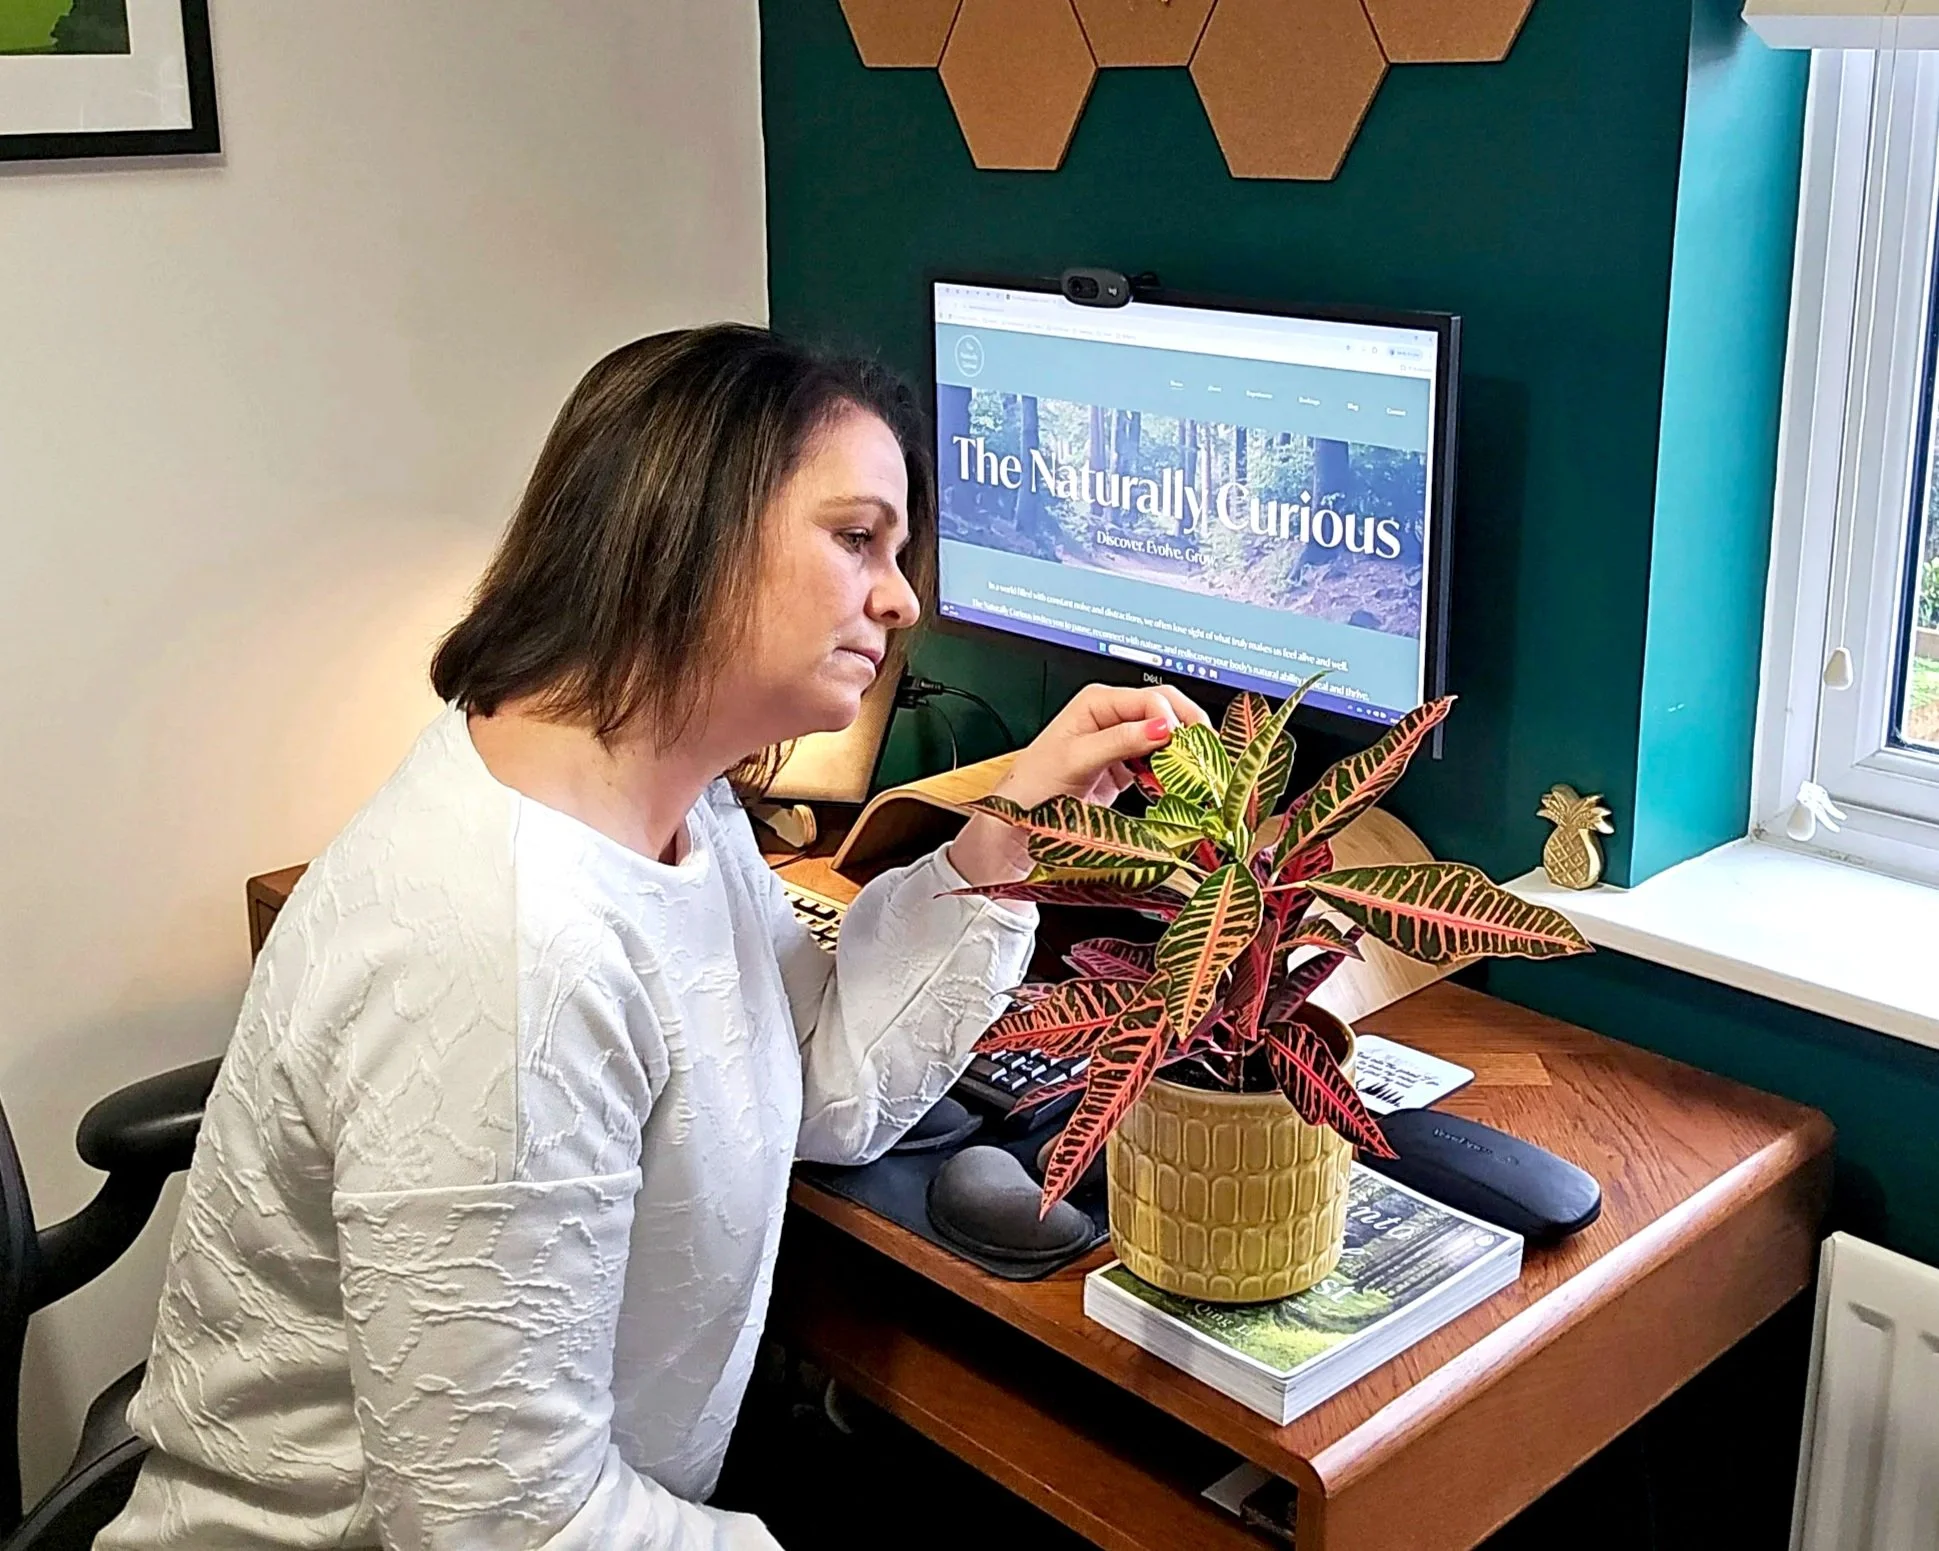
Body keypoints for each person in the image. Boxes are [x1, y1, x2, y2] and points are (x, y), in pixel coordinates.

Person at [98, 326, 1205, 1550]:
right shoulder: (505, 957)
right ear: (683, 527)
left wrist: (997, 851)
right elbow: (505, 1531)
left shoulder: (675, 806)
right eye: (856, 541)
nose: (900, 600)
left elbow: (814, 1097)